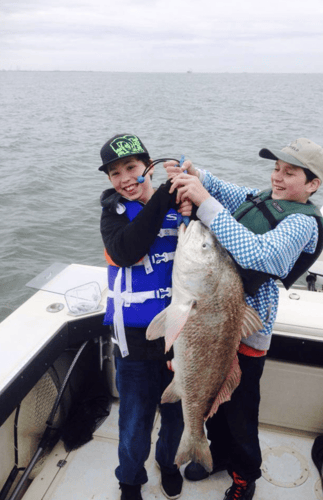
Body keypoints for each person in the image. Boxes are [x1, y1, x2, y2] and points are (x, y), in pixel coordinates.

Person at [166, 138, 323, 500]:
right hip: (210, 321)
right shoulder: (265, 199)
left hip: (246, 334)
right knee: (216, 406)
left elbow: (260, 255)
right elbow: (228, 191)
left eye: (290, 172)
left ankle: (245, 477)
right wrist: (197, 176)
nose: (278, 177)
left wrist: (204, 204)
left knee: (240, 414)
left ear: (313, 184)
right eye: (276, 168)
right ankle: (217, 453)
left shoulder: (301, 225)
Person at [99, 133, 190, 500]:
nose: (123, 179)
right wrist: (164, 195)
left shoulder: (180, 206)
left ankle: (168, 462)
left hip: (181, 333)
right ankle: (130, 478)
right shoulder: (113, 213)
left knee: (176, 414)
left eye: (131, 168)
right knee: (135, 419)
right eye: (114, 173)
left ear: (148, 167)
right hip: (133, 338)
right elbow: (126, 251)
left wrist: (186, 189)